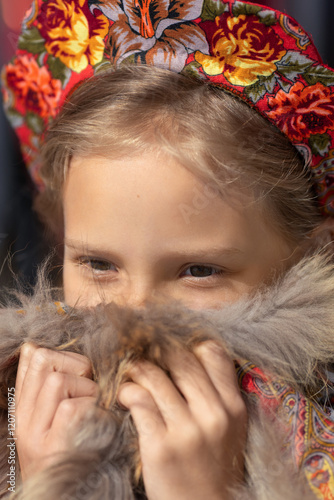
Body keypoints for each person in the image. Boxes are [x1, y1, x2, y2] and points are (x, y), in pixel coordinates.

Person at [1, 0, 334, 498]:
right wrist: (41, 478)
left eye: (198, 270)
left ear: (309, 256)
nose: (133, 316)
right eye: (98, 264)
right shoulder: (17, 409)